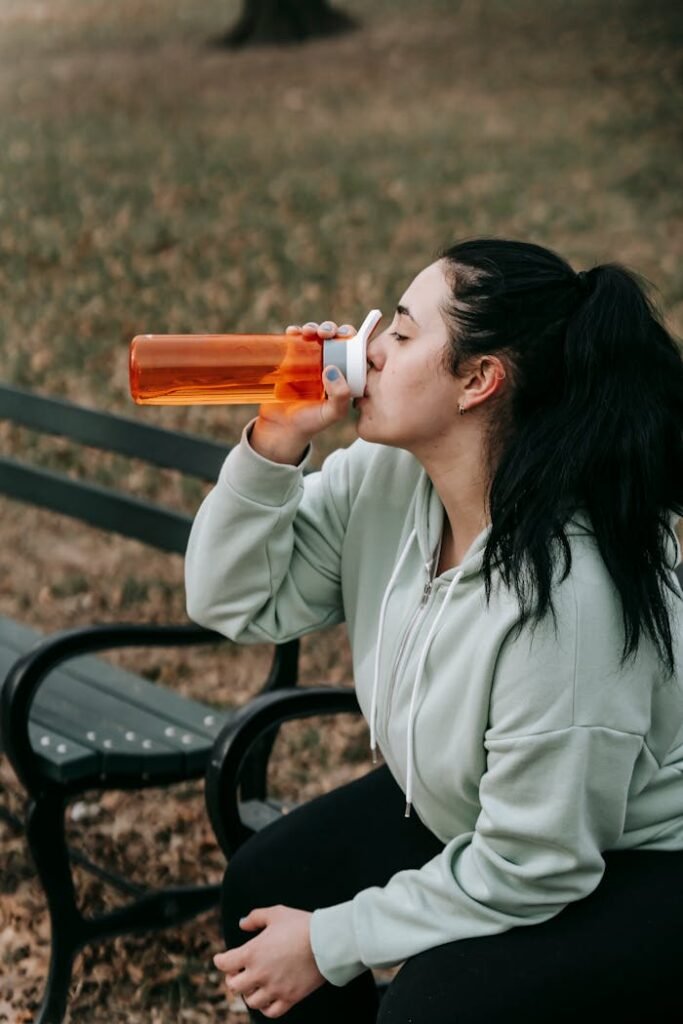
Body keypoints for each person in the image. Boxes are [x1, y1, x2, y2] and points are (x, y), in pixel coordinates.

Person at [184, 239, 683, 1023]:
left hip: (632, 861)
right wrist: (274, 444)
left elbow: (537, 863)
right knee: (269, 883)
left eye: (403, 333)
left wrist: (330, 940)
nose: (368, 348)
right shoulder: (384, 481)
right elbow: (232, 600)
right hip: (483, 806)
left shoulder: (569, 592)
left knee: (430, 1008)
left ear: (479, 381)